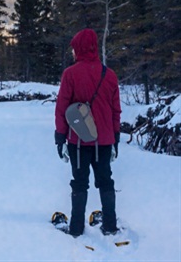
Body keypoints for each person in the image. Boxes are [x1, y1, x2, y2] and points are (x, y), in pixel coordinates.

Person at [54, 29, 121, 237]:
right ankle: (110, 225)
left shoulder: (70, 74)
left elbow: (62, 108)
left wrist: (60, 138)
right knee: (106, 180)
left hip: (79, 141)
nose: (73, 52)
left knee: (79, 181)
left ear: (80, 48)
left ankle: (75, 228)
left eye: (74, 48)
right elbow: (115, 110)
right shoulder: (109, 75)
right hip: (105, 141)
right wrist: (115, 139)